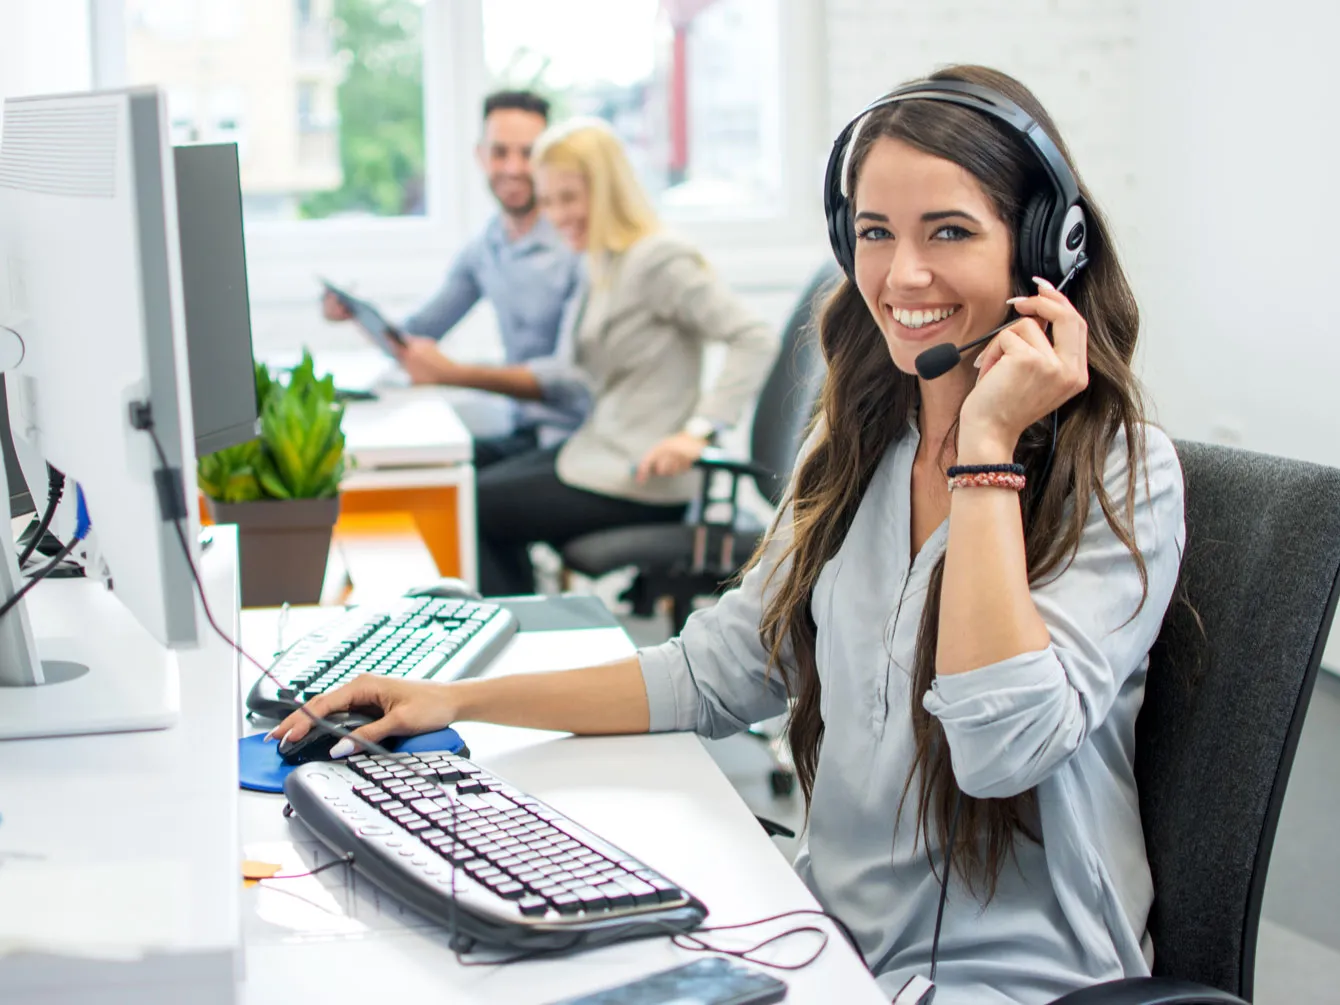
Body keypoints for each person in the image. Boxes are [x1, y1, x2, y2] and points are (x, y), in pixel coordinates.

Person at [273, 65, 1185, 1004]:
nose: (903, 275)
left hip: (1010, 980)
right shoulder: (862, 448)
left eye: (948, 231)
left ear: (1045, 247)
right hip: (830, 935)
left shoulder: (1122, 475)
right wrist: (459, 700)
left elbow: (1002, 754)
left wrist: (987, 451)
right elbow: (716, 670)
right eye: (875, 233)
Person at [390, 117, 778, 596]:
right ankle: (520, 632)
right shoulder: (602, 260)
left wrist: (698, 431)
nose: (555, 215)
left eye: (569, 199)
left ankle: (516, 647)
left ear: (609, 190)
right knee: (466, 490)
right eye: (548, 200)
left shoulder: (658, 259)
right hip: (600, 452)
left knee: (475, 508)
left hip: (642, 475)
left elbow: (752, 335)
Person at [321, 90, 582, 467]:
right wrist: (357, 315)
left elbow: (569, 377)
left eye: (528, 153)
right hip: (522, 433)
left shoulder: (575, 244)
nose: (512, 168)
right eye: (499, 152)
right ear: (480, 156)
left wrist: (454, 374)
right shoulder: (486, 248)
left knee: (465, 498)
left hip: (571, 440)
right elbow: (418, 335)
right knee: (410, 473)